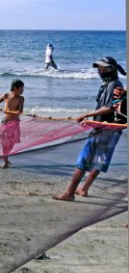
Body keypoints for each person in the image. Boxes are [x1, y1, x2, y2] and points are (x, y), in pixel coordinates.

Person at [53, 57, 126, 201]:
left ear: (111, 69)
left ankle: (69, 193)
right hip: (110, 130)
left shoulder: (113, 84)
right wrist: (92, 121)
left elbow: (108, 108)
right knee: (99, 160)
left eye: (103, 69)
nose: (99, 71)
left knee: (84, 159)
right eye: (99, 68)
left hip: (104, 130)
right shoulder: (110, 83)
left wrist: (87, 114)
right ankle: (84, 188)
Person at [0, 79, 25, 168]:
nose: (23, 90)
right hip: (6, 122)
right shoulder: (6, 96)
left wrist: (14, 111)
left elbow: (20, 111)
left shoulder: (21, 98)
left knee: (12, 143)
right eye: (21, 88)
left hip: (15, 123)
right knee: (5, 143)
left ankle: (6, 156)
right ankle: (5, 160)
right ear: (15, 88)